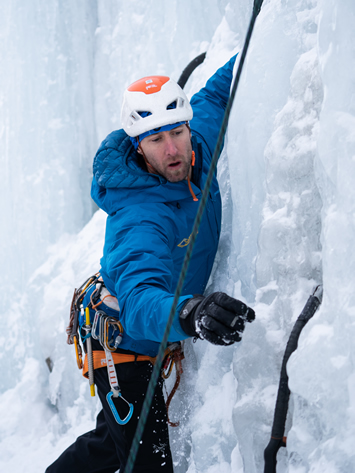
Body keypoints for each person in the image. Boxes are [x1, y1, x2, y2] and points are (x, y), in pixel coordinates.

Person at [46, 55, 255, 473]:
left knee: (110, 444)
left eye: (178, 132)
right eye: (156, 140)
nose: (173, 149)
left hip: (151, 331)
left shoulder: (198, 146)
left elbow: (217, 93)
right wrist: (189, 311)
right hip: (125, 348)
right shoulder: (139, 216)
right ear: (137, 145)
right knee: (147, 463)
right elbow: (140, 301)